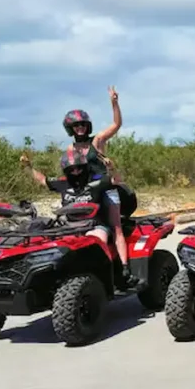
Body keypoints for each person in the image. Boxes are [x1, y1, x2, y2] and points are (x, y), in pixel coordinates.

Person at [20, 149, 140, 287]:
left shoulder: (96, 182)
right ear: (67, 171)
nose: (76, 172)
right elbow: (43, 180)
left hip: (94, 225)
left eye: (78, 168)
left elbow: (116, 180)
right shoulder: (63, 184)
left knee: (96, 241)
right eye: (72, 170)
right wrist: (28, 168)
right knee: (50, 247)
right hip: (69, 227)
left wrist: (111, 168)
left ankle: (120, 271)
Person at [62, 86, 133, 281]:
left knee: (115, 226)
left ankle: (125, 268)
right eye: (76, 126)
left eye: (83, 125)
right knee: (77, 227)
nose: (80, 128)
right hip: (84, 193)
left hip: (105, 188)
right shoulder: (70, 148)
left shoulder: (97, 141)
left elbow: (116, 125)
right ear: (71, 129)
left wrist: (114, 103)